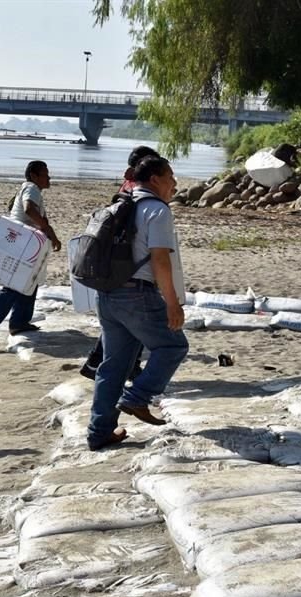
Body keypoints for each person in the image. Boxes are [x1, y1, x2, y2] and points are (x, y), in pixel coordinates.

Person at [87, 155, 189, 451]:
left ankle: (99, 432)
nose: (174, 184)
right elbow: (160, 259)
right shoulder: (157, 210)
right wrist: (172, 303)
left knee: (113, 366)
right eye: (170, 177)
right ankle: (137, 398)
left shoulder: (122, 204)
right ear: (155, 179)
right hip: (137, 294)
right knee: (173, 346)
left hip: (107, 295)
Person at [80, 145, 160, 381]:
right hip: (129, 268)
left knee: (118, 327)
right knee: (132, 326)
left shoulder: (126, 189)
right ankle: (114, 366)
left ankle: (98, 363)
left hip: (117, 266)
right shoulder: (138, 192)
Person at [0, 160, 62, 347]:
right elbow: (29, 209)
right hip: (23, 243)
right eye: (45, 174)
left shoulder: (29, 188)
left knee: (29, 282)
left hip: (24, 242)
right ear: (34, 176)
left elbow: (36, 215)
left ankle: (19, 322)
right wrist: (48, 230)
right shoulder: (32, 188)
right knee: (15, 285)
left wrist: (51, 234)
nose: (49, 177)